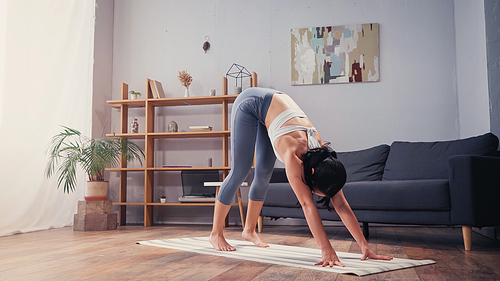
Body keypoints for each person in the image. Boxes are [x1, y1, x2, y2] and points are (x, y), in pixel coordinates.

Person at [209, 87, 392, 267]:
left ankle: (248, 231)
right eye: (320, 193)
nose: (321, 197)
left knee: (263, 175)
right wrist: (326, 249)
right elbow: (307, 205)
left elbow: (341, 204)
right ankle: (216, 234)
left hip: (275, 109)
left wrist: (364, 246)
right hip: (251, 102)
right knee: (240, 172)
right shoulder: (293, 155)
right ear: (312, 174)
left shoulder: (326, 162)